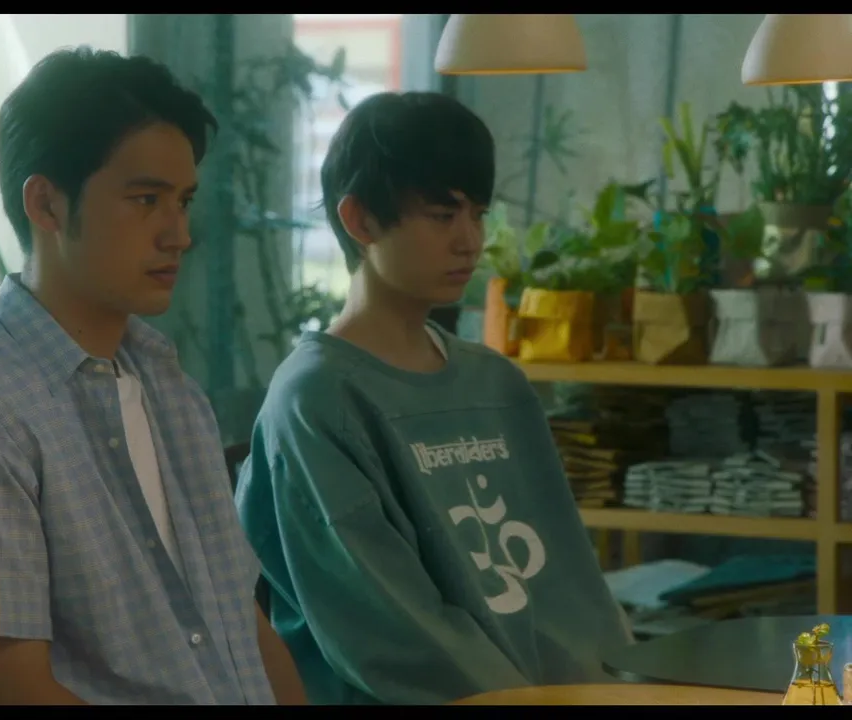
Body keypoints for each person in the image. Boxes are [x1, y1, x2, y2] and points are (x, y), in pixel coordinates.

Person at [0, 47, 306, 706]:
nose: (178, 234)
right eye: (146, 200)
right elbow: (8, 688)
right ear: (47, 204)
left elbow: (241, 625)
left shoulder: (169, 388)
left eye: (183, 202)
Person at [234, 91, 633, 706]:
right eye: (443, 216)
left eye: (478, 214)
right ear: (360, 220)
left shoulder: (496, 384)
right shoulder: (317, 399)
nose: (470, 241)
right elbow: (391, 634)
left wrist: (620, 688)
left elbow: (571, 588)